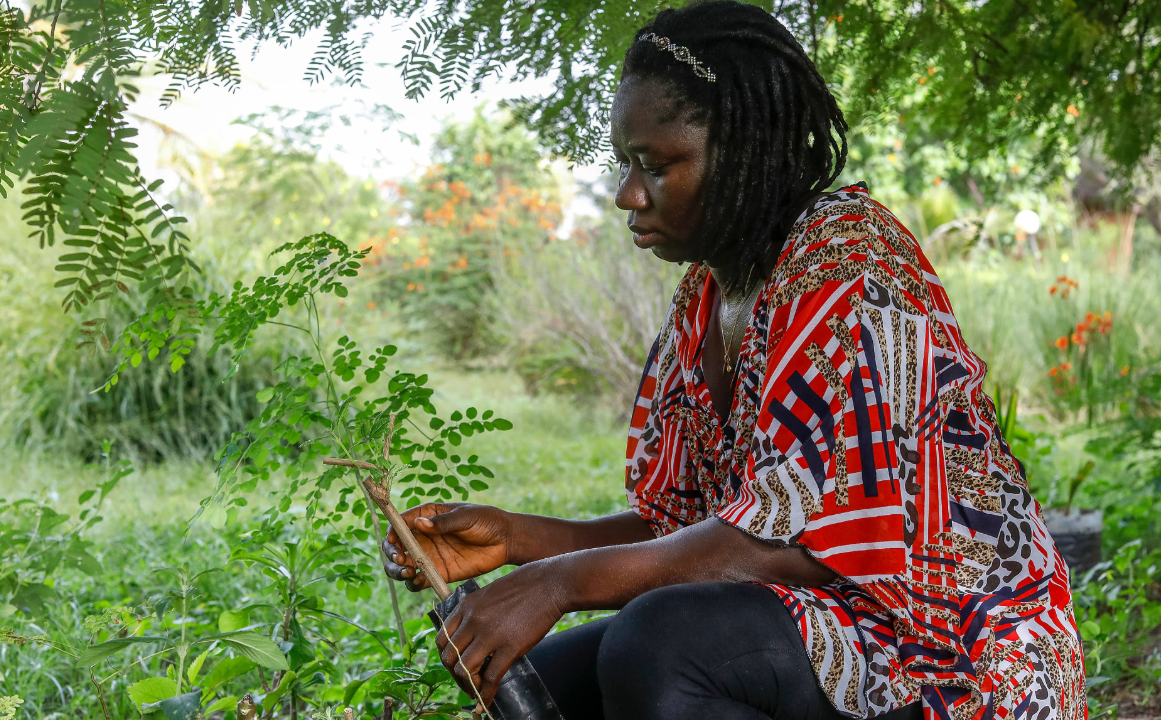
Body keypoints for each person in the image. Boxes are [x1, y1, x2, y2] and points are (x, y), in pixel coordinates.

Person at [382, 3, 1087, 719]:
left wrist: (560, 583)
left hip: (950, 649)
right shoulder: (705, 300)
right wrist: (515, 539)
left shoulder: (848, 263)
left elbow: (805, 542)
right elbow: (689, 531)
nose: (627, 194)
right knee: (540, 681)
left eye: (655, 165)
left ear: (746, 149)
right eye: (625, 163)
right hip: (833, 623)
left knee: (657, 645)